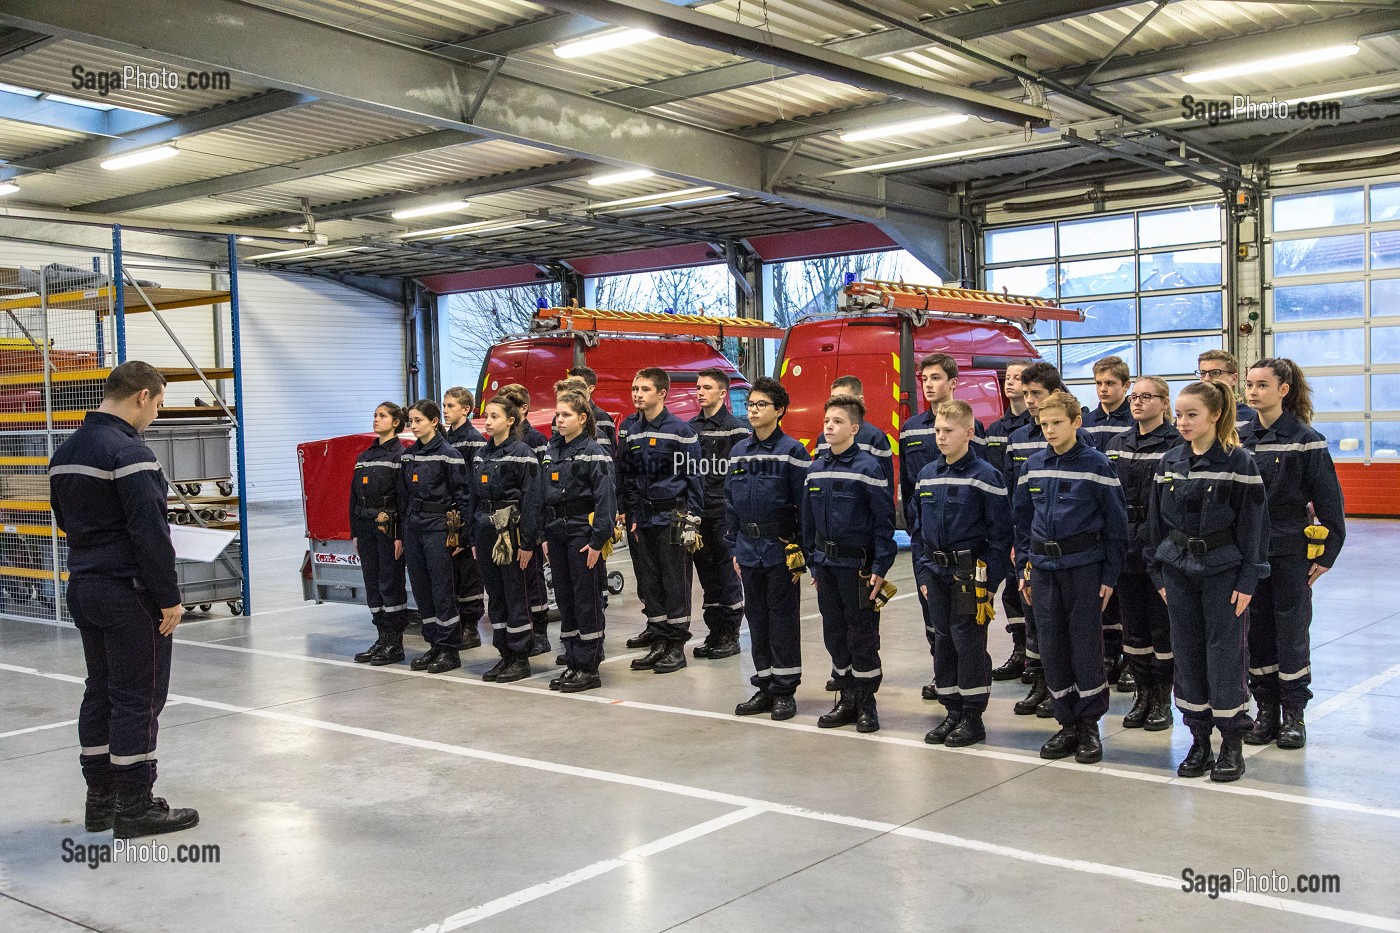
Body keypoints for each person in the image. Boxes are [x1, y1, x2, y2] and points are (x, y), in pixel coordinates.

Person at [49, 361, 198, 839]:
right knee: (138, 698)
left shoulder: (67, 451)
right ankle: (135, 807)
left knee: (101, 690)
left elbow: (66, 521)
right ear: (142, 397)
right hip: (129, 592)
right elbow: (150, 533)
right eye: (158, 404)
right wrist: (169, 597)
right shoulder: (130, 453)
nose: (155, 414)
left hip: (85, 585)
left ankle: (102, 801)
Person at [1146, 381, 1268, 782]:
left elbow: (1254, 528)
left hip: (1223, 573)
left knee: (1225, 656)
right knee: (1188, 654)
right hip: (1177, 571)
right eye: (1179, 414)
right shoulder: (1168, 463)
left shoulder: (1240, 463)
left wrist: (1249, 579)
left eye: (1191, 414)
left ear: (1215, 415)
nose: (1182, 422)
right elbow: (1155, 524)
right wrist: (1158, 573)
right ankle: (1199, 740)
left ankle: (1231, 743)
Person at [1012, 390, 1128, 763]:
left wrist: (1109, 575)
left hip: (1083, 569)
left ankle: (1090, 726)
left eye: (1056, 423)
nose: (1049, 430)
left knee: (1085, 649)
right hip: (1043, 572)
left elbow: (1116, 525)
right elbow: (1020, 524)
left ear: (1076, 422)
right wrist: (1023, 571)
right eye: (1044, 424)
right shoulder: (1031, 466)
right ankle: (1066, 724)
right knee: (1052, 649)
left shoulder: (1096, 465)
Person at [1240, 358, 1346, 750]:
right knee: (1256, 632)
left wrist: (1327, 554)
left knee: (1291, 632)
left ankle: (1293, 716)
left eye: (1262, 385)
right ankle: (1265, 711)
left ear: (1283, 390)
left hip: (1289, 550)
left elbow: (1330, 503)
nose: (1252, 392)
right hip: (1249, 552)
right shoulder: (1238, 438)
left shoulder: (1306, 439)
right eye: (1249, 384)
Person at [912, 400, 1012, 748]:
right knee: (943, 641)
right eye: (937, 430)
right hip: (936, 571)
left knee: (968, 641)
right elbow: (918, 529)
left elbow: (1001, 536)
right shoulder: (926, 475)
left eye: (948, 431)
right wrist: (924, 574)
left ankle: (973, 716)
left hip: (971, 573)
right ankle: (951, 710)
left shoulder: (986, 476)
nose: (941, 437)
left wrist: (989, 581)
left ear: (969, 433)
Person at [1002, 361, 1092, 718]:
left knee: (1067, 631)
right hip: (1033, 547)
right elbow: (1016, 498)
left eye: (1036, 394)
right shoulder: (1019, 438)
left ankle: (1072, 701)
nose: (1030, 402)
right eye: (1025, 395)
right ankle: (1041, 683)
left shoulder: (1081, 443)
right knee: (1036, 620)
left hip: (1071, 553)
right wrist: (1017, 543)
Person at [804, 394, 898, 733]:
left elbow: (883, 522)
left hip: (858, 568)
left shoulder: (868, 469)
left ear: (854, 428)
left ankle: (865, 702)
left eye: (838, 421)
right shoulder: (815, 468)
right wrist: (814, 564)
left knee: (862, 636)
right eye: (827, 420)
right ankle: (845, 698)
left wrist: (880, 566)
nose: (830, 426)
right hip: (826, 567)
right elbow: (808, 523)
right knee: (834, 634)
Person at [899, 353, 986, 700]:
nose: (929, 384)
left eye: (936, 378)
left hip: (961, 536)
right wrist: (912, 523)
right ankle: (942, 675)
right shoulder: (911, 428)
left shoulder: (970, 426)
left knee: (963, 622)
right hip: (926, 531)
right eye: (925, 378)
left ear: (953, 383)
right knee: (931, 612)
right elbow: (909, 481)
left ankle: (965, 683)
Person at [725, 377, 811, 721]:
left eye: (761, 405)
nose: (754, 410)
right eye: (750, 405)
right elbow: (730, 501)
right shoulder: (739, 452)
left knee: (783, 620)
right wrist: (733, 545)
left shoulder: (793, 452)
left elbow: (804, 506)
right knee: (756, 618)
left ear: (779, 411)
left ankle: (785, 689)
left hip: (780, 549)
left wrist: (800, 549)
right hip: (747, 547)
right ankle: (763, 684)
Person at [618, 367, 705, 673]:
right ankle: (658, 641)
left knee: (674, 582)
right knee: (650, 582)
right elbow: (627, 476)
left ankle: (676, 647)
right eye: (634, 389)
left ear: (662, 394)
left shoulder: (681, 432)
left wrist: (693, 519)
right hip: (643, 517)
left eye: (644, 389)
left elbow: (694, 477)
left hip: (673, 516)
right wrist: (628, 512)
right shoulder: (632, 430)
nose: (637, 394)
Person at [1106, 377, 1180, 732]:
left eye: (1145, 397)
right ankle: (1142, 694)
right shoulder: (1118, 442)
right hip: (1126, 542)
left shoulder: (1177, 444)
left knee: (1160, 626)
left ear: (1164, 403)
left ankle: (1162, 698)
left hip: (1160, 541)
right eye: (1134, 397)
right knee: (1133, 627)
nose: (1136, 402)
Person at [542, 391, 616, 693]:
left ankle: (589, 666)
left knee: (586, 600)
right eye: (558, 414)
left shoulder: (594, 452)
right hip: (557, 532)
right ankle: (573, 660)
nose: (560, 420)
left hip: (581, 534)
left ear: (582, 418)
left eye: (567, 415)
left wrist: (598, 541)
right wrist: (545, 535)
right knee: (566, 600)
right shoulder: (552, 450)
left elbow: (605, 501)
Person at [469, 393, 545, 683]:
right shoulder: (481, 455)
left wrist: (527, 543)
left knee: (516, 595)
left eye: (495, 416)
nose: (488, 421)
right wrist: (473, 538)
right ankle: (504, 654)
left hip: (511, 535)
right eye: (487, 416)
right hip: (485, 531)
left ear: (511, 421)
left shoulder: (523, 453)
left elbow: (532, 501)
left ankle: (520, 656)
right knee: (496, 596)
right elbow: (473, 497)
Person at [396, 400, 472, 674]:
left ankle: (450, 650)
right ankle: (434, 645)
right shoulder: (409, 455)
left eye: (418, 421)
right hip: (414, 528)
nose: (413, 426)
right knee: (422, 590)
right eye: (411, 422)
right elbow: (403, 498)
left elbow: (463, 497)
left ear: (434, 421)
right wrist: (402, 534)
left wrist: (462, 537)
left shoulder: (448, 454)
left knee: (442, 590)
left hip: (439, 527)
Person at [689, 367, 748, 660]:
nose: (701, 392)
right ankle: (714, 632)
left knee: (726, 575)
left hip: (724, 513)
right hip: (699, 514)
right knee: (707, 576)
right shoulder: (690, 429)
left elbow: (740, 478)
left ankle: (731, 634)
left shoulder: (737, 430)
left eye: (707, 387)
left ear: (723, 394)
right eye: (699, 387)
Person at [1085, 355, 1134, 690]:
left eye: (1110, 384)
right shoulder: (1085, 422)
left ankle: (1131, 659)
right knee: (1101, 594)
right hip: (1094, 522)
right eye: (1099, 383)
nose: (1103, 389)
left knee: (1127, 594)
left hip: (1126, 518)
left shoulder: (1135, 419)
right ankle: (1108, 655)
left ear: (1125, 386)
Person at [350, 402, 410, 666]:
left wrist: (400, 534)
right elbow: (353, 497)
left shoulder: (400, 456)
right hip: (365, 528)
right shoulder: (364, 456)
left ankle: (395, 643)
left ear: (396, 422)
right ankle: (382, 636)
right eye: (375, 415)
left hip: (388, 528)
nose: (376, 419)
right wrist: (354, 531)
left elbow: (403, 497)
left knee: (389, 583)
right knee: (372, 584)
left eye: (382, 416)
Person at [984, 360, 1033, 683]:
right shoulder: (995, 430)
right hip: (1005, 520)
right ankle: (1019, 650)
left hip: (1029, 519)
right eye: (1009, 377)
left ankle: (1034, 656)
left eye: (1019, 378)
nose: (1011, 383)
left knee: (1030, 591)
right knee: (1009, 593)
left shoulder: (1035, 428)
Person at [499, 383, 554, 657]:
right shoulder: (498, 444)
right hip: (504, 528)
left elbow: (539, 488)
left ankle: (540, 633)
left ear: (522, 409)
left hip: (529, 523)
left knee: (533, 581)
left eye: (510, 404)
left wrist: (539, 531)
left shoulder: (535, 441)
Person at [442, 386, 487, 650]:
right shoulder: (446, 439)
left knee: (468, 573)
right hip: (449, 517)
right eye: (444, 405)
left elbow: (472, 486)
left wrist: (466, 527)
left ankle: (470, 628)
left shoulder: (473, 440)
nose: (445, 410)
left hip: (465, 516)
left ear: (466, 409)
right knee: (453, 575)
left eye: (450, 406)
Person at [815, 375, 894, 487]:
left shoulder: (875, 437)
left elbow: (885, 483)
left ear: (860, 400)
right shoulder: (823, 439)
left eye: (844, 399)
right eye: (833, 398)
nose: (837, 404)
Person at [1197, 349, 1253, 429]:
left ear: (1234, 379)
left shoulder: (1248, 418)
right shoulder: (1189, 415)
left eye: (1215, 373)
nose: (1206, 379)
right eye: (1203, 373)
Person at [568, 365, 617, 456]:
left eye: (576, 385)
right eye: (568, 384)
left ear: (590, 388)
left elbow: (609, 455)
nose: (570, 389)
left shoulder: (602, 418)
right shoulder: (559, 418)